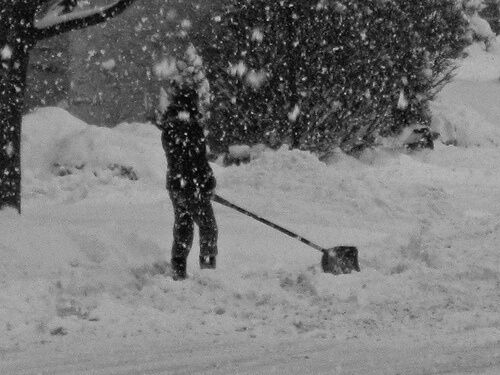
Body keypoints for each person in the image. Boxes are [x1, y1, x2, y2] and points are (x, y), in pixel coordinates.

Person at [155, 82, 218, 280]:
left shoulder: (169, 127)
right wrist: (207, 180)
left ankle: (178, 268)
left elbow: (179, 158)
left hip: (176, 185)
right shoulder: (191, 128)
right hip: (192, 186)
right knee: (208, 226)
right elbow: (197, 159)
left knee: (184, 226)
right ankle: (207, 271)